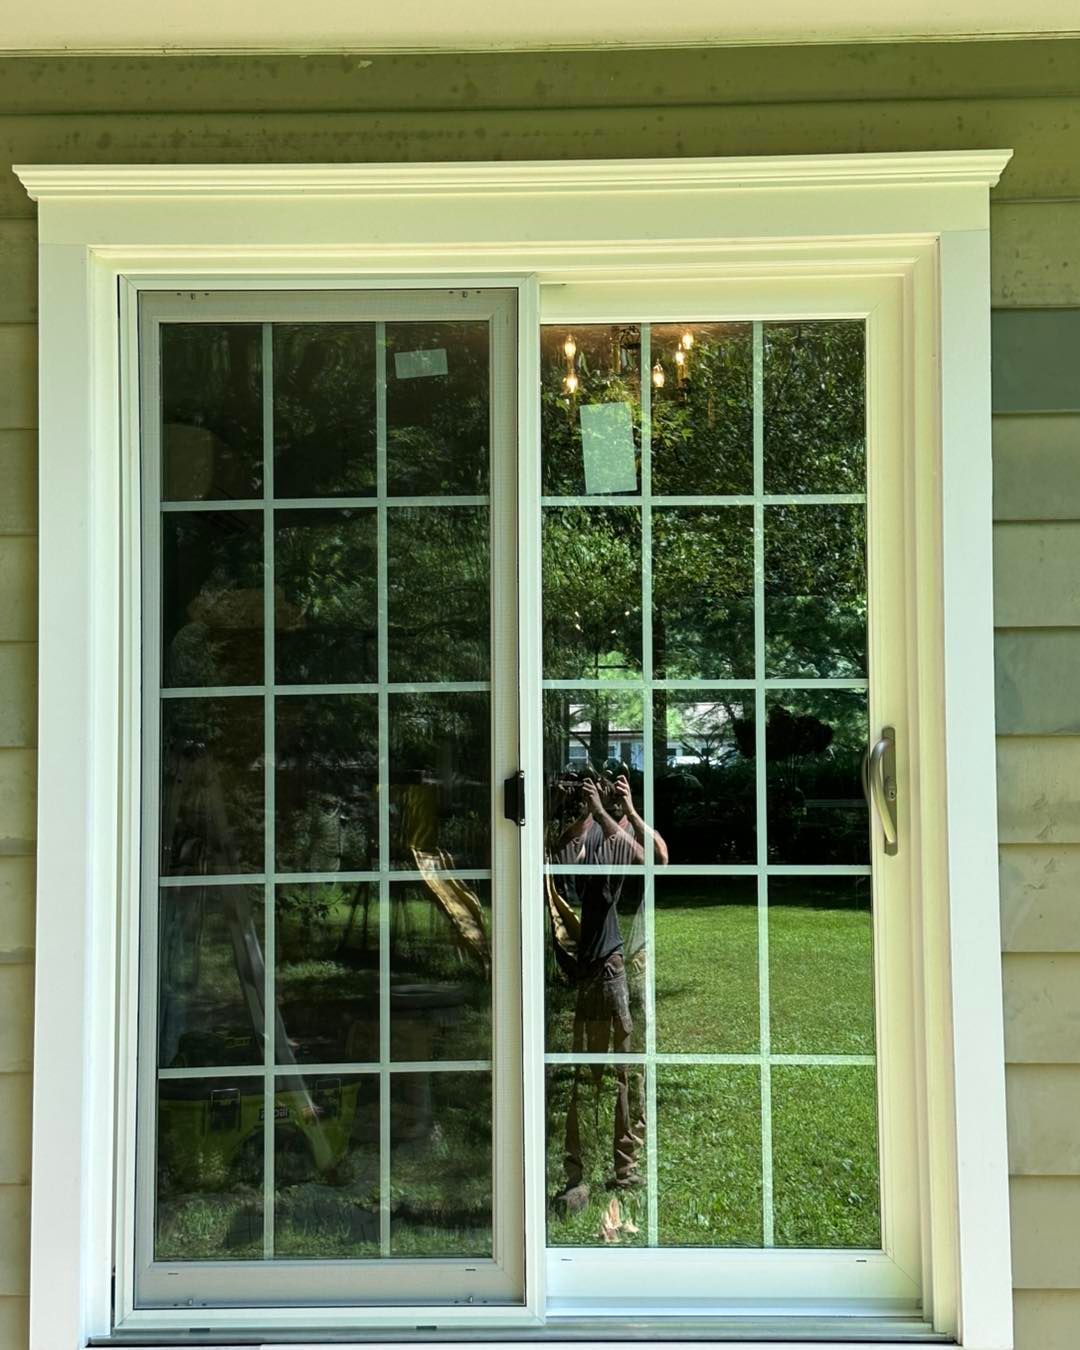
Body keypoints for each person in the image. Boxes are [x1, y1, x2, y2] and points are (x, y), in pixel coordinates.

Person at [548, 761, 668, 1216]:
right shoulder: (588, 836)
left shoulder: (615, 833)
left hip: (610, 971)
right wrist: (586, 809)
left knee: (620, 1072)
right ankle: (578, 1174)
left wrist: (626, 810)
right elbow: (560, 851)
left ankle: (625, 1168)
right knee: (585, 1075)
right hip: (588, 973)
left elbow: (656, 859)